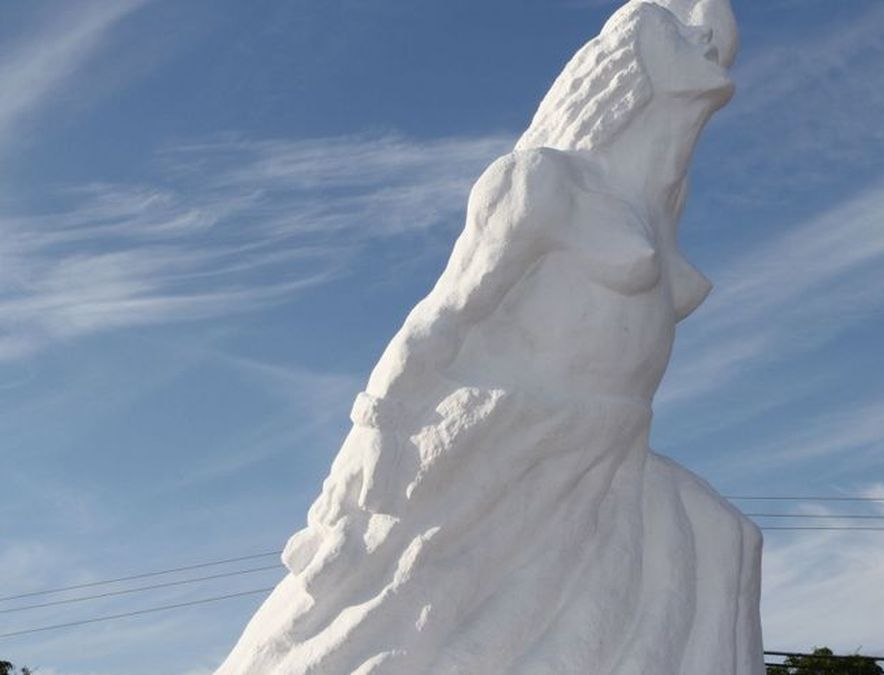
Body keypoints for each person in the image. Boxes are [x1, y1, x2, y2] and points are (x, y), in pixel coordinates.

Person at [217, 4, 764, 673]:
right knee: (416, 620)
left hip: (612, 449)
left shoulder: (654, 214)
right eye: (680, 30)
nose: (704, 37)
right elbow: (446, 314)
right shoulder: (542, 180)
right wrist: (380, 426)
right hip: (512, 439)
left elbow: (717, 37)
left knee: (723, 540)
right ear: (626, 65)